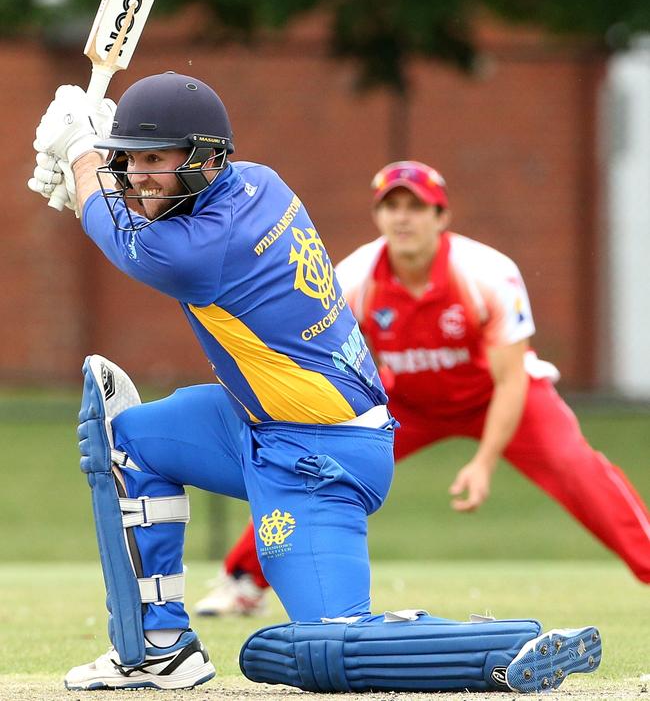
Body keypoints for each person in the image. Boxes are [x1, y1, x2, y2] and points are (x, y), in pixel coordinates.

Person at [28, 81, 601, 693]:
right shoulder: (259, 181)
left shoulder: (197, 251)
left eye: (155, 158)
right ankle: (158, 649)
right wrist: (98, 176)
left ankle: (504, 646)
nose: (138, 174)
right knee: (127, 440)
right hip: (254, 421)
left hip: (320, 455)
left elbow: (130, 245)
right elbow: (133, 226)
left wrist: (85, 159)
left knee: (330, 643)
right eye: (131, 158)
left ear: (205, 158)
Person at [198, 158, 650, 619]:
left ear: (441, 216)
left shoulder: (487, 273)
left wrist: (484, 462)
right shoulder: (354, 277)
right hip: (408, 402)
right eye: (390, 206)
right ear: (377, 216)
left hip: (498, 397)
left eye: (416, 206)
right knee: (315, 467)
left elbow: (512, 378)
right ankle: (241, 581)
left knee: (576, 467)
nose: (402, 217)